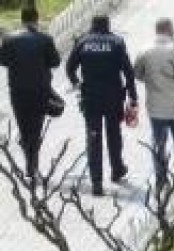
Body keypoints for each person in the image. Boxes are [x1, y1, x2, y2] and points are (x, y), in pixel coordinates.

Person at [66, 15, 138, 196]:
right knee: (114, 134)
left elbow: (69, 68)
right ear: (108, 25)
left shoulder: (83, 42)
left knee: (93, 137)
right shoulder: (117, 42)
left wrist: (77, 84)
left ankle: (96, 182)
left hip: (91, 99)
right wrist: (133, 97)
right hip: (113, 98)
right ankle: (116, 169)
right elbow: (128, 72)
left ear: (91, 25)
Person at [0, 8, 60, 180]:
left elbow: (3, 61)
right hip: (39, 91)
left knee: (24, 128)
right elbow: (55, 62)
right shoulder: (45, 39)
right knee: (35, 128)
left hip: (18, 92)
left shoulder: (10, 40)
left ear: (22, 20)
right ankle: (31, 165)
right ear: (36, 20)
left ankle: (30, 162)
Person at [133, 18, 174, 185]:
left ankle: (161, 176)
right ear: (170, 30)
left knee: (159, 141)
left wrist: (151, 80)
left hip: (156, 106)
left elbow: (137, 74)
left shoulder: (145, 51)